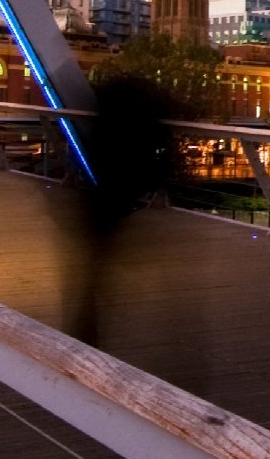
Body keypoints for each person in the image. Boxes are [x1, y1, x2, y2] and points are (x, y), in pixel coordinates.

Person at [59, 76, 182, 345]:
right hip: (119, 196)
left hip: (98, 197)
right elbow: (160, 161)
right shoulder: (142, 125)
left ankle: (85, 322)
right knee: (101, 262)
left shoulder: (104, 121)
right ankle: (89, 321)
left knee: (93, 263)